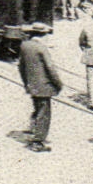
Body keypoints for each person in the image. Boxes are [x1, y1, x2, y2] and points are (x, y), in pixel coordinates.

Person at [17, 22, 63, 152]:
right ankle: (37, 141)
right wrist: (58, 84)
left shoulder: (25, 46)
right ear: (43, 35)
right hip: (44, 86)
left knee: (37, 109)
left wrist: (26, 83)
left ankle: (33, 130)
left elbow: (21, 66)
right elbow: (50, 68)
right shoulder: (41, 48)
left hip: (32, 85)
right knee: (44, 113)